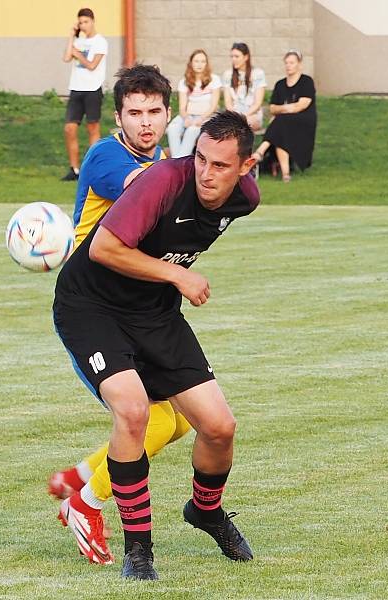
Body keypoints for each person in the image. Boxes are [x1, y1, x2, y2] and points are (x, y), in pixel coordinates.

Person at [53, 111, 258, 580]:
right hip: (91, 306)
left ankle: (206, 511)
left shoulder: (245, 199)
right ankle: (138, 551)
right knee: (133, 410)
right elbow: (104, 248)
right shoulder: (163, 181)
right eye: (201, 158)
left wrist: (169, 277)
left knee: (219, 426)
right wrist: (177, 273)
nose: (206, 173)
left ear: (246, 168)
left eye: (221, 166)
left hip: (154, 314)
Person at [50, 63, 193, 564]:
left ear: (168, 113)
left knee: (176, 424)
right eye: (135, 112)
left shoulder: (167, 161)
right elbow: (145, 186)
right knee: (144, 419)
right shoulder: (106, 156)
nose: (146, 122)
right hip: (89, 308)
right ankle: (85, 503)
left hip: (137, 310)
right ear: (118, 117)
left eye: (155, 111)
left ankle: (84, 475)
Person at [251, 50, 317, 182]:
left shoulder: (306, 81)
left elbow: (302, 105)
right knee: (281, 129)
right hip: (284, 123)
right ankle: (286, 174)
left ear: (299, 64)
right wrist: (288, 109)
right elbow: (272, 108)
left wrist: (283, 109)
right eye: (286, 63)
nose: (288, 66)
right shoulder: (280, 84)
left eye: (292, 63)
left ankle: (259, 152)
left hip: (304, 121)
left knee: (280, 122)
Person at [60, 7, 108, 181]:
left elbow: (92, 65)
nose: (83, 25)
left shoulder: (100, 42)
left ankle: (94, 168)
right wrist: (72, 36)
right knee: (69, 128)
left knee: (92, 128)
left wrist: (78, 54)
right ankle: (74, 169)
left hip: (93, 89)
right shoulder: (78, 42)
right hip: (76, 89)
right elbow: (66, 58)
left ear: (92, 21)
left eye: (86, 22)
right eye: (80, 22)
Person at [166, 49, 221, 158]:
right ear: (191, 63)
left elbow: (213, 106)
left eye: (203, 61)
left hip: (207, 116)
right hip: (189, 115)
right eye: (196, 61)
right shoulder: (184, 82)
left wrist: (201, 119)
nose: (199, 64)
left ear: (207, 64)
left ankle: (178, 162)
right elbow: (182, 108)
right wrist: (186, 118)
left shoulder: (214, 80)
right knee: (172, 128)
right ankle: (178, 161)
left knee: (192, 131)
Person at [222, 42, 266, 132]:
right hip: (234, 115)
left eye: (237, 56)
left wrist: (243, 116)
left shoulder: (258, 74)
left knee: (242, 125)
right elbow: (228, 103)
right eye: (232, 57)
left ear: (246, 57)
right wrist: (235, 116)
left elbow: (257, 104)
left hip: (252, 115)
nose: (233, 59)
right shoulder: (227, 75)